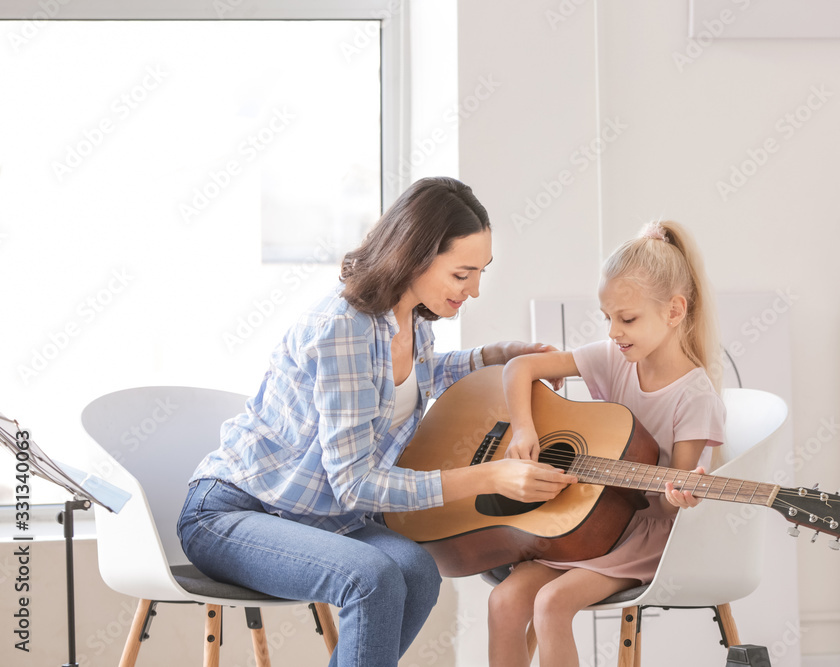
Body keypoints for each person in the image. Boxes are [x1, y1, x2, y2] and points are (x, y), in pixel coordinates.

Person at [176, 176, 575, 667]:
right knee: (372, 577)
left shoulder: (411, 320)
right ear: (414, 256)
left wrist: (496, 354)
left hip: (320, 519)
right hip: (232, 513)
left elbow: (413, 377)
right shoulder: (342, 329)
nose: (474, 290)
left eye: (480, 272)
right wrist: (489, 477)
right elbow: (356, 484)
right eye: (462, 274)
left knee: (418, 571)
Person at [488, 220, 727, 667]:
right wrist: (525, 430)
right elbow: (518, 368)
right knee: (504, 602)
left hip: (644, 535)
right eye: (608, 318)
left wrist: (680, 496)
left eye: (627, 318)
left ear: (675, 311)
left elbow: (668, 502)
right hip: (590, 521)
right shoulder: (612, 357)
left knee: (550, 604)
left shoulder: (695, 396)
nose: (614, 331)